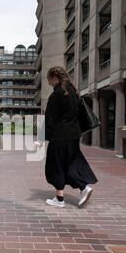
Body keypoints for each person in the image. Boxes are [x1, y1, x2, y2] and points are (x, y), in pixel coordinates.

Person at [36, 66, 98, 208]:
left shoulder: (56, 95)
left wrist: (40, 139)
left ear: (55, 78)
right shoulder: (74, 92)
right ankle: (83, 188)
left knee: (56, 166)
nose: (49, 82)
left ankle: (60, 199)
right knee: (71, 163)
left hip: (59, 137)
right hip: (74, 136)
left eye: (49, 79)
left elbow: (49, 119)